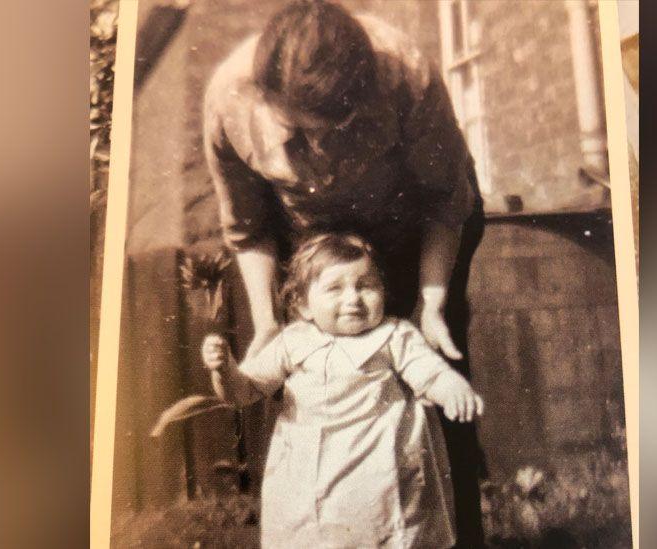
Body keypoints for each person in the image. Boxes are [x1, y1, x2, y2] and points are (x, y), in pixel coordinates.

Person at [203, 0, 487, 543]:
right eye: (301, 131)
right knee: (302, 390)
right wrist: (266, 326)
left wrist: (430, 306)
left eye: (341, 127)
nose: (322, 149)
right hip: (311, 245)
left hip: (415, 227)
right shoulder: (228, 102)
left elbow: (443, 205)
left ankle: (446, 537)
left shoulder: (405, 73)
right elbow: (248, 230)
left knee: (433, 382)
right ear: (267, 98)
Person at [201, 234, 484, 548]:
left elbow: (429, 374)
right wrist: (224, 370)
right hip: (311, 475)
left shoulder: (394, 335)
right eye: (335, 289)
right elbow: (245, 391)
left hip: (381, 473)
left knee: (389, 535)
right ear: (303, 305)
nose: (353, 299)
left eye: (366, 286)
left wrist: (452, 388)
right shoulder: (292, 342)